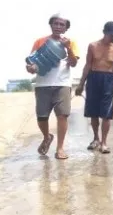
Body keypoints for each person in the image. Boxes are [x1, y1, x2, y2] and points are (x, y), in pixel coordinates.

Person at [26, 14, 80, 160]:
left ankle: (60, 148)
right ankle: (47, 136)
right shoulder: (40, 41)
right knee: (42, 117)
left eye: (62, 24)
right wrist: (30, 68)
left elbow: (74, 63)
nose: (58, 26)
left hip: (62, 83)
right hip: (42, 84)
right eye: (55, 23)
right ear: (51, 25)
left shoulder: (71, 43)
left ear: (66, 28)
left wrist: (68, 48)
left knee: (62, 115)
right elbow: (31, 62)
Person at [76, 21, 113, 154]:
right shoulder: (93, 46)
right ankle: (96, 138)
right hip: (93, 78)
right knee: (93, 112)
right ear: (104, 32)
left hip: (108, 79)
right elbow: (87, 65)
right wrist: (81, 84)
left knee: (106, 113)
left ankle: (104, 142)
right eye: (112, 35)